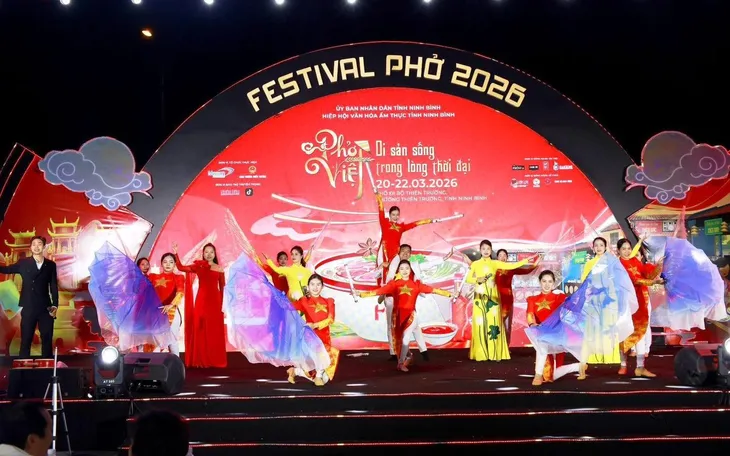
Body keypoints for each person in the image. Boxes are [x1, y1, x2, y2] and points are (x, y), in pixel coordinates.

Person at [359, 260, 452, 372]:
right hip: (398, 317)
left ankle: (401, 363)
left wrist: (449, 294)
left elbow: (433, 290)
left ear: (410, 270)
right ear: (398, 270)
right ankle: (408, 357)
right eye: (402, 268)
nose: (404, 271)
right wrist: (361, 294)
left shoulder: (416, 285)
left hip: (411, 316)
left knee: (405, 339)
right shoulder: (394, 284)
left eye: (407, 268)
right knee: (401, 340)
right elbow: (379, 291)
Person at [465, 240, 538, 362]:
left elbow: (511, 266)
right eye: (483, 249)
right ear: (480, 250)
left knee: (494, 324)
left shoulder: (495, 263)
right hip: (480, 297)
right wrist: (478, 279)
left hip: (493, 297)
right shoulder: (475, 264)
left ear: (491, 250)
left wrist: (526, 260)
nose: (486, 251)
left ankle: (494, 352)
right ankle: (481, 353)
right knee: (481, 324)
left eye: (488, 249)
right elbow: (468, 279)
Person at [0, 236, 58, 358]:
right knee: (26, 339)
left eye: (39, 244)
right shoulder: (23, 263)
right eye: (34, 244)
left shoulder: (51, 265)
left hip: (45, 307)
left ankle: (47, 365)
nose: (36, 247)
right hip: (28, 306)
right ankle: (23, 366)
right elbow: (7, 269)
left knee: (47, 338)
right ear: (30, 247)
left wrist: (55, 305)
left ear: (44, 246)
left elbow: (53, 286)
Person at [173, 242, 227, 368]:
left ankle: (214, 359)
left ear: (215, 254)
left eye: (211, 252)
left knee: (214, 330)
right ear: (203, 254)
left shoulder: (219, 268)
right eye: (206, 252)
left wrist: (224, 305)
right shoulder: (199, 266)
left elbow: (223, 287)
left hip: (215, 301)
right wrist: (176, 254)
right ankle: (201, 358)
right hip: (201, 300)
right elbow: (181, 268)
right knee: (200, 327)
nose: (209, 254)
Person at [617, 238, 663, 377]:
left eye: (628, 248)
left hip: (640, 302)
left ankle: (640, 367)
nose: (627, 251)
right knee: (623, 334)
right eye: (623, 249)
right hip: (625, 304)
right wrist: (652, 282)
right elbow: (634, 280)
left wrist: (658, 266)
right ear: (618, 250)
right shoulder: (618, 265)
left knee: (640, 333)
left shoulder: (635, 261)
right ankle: (623, 365)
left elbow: (647, 274)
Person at [373, 189, 437, 285]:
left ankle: (392, 287)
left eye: (397, 215)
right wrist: (378, 196)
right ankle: (383, 287)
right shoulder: (384, 223)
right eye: (393, 215)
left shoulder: (401, 227)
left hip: (395, 251)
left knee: (393, 269)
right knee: (382, 268)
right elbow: (381, 210)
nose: (395, 217)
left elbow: (414, 224)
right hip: (384, 249)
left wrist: (429, 221)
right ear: (389, 215)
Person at [526, 270, 577, 386]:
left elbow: (571, 307)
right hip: (541, 333)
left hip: (557, 334)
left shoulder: (559, 297)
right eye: (544, 281)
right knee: (549, 376)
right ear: (540, 282)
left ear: (553, 283)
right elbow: (529, 315)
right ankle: (577, 367)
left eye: (550, 281)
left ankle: (538, 374)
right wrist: (532, 324)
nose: (547, 284)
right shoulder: (532, 299)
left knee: (552, 374)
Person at [287, 274, 339, 386]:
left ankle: (295, 371)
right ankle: (318, 377)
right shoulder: (304, 301)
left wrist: (315, 325)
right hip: (310, 337)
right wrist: (286, 297)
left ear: (322, 287)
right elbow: (289, 307)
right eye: (312, 284)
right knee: (317, 364)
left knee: (325, 377)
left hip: (324, 337)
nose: (315, 287)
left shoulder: (329, 301)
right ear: (308, 286)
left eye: (318, 284)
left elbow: (330, 320)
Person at [383, 244, 429, 361]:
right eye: (403, 251)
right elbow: (387, 281)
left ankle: (423, 350)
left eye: (408, 251)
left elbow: (418, 281)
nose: (405, 253)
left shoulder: (413, 266)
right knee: (392, 326)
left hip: (407, 300)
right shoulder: (393, 265)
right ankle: (394, 353)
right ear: (399, 252)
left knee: (414, 324)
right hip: (392, 299)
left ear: (410, 254)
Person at [495, 249, 538, 344]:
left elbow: (527, 271)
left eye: (504, 255)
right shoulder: (493, 268)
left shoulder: (511, 268)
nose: (502, 257)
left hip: (508, 300)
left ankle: (506, 347)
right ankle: (496, 347)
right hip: (495, 300)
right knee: (496, 325)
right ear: (497, 257)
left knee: (507, 326)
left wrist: (536, 263)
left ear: (507, 257)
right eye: (500, 255)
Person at [148, 253, 185, 356]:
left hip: (172, 311)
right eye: (165, 262)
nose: (168, 264)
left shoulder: (179, 277)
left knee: (172, 341)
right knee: (154, 342)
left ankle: (176, 365)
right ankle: (153, 365)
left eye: (171, 262)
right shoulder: (153, 277)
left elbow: (180, 292)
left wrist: (171, 305)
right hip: (156, 313)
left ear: (174, 264)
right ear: (161, 264)